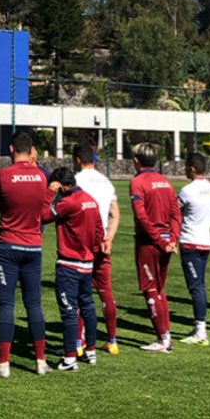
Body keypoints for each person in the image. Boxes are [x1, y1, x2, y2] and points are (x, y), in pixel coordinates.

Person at [0, 131, 52, 377]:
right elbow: (43, 211)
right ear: (31, 150)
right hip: (33, 246)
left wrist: (8, 204)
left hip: (8, 246)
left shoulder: (3, 176)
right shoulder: (42, 178)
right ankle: (41, 361)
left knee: (6, 304)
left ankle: (3, 363)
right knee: (33, 303)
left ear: (11, 148)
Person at [41, 167, 103, 371]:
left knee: (69, 311)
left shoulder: (67, 202)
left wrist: (49, 192)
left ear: (60, 185)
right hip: (87, 263)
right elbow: (99, 230)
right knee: (88, 307)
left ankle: (69, 358)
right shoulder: (90, 200)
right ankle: (91, 351)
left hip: (69, 264)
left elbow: (43, 215)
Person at [129, 142, 182, 353]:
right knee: (159, 289)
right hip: (166, 242)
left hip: (150, 244)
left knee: (150, 289)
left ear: (136, 161)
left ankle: (163, 340)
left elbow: (141, 216)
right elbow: (176, 214)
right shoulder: (166, 182)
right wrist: (172, 239)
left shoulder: (137, 182)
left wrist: (160, 241)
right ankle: (165, 336)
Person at [73, 142, 121, 356]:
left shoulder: (75, 181)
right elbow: (115, 213)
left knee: (79, 292)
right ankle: (112, 340)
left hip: (81, 239)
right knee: (105, 292)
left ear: (76, 161)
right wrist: (109, 237)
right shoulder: (106, 181)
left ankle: (78, 341)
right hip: (102, 239)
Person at [177, 153, 210, 345]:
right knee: (200, 284)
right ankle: (199, 328)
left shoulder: (187, 191)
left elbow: (174, 213)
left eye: (186, 166)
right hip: (205, 241)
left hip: (190, 242)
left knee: (196, 287)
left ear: (192, 168)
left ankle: (201, 331)